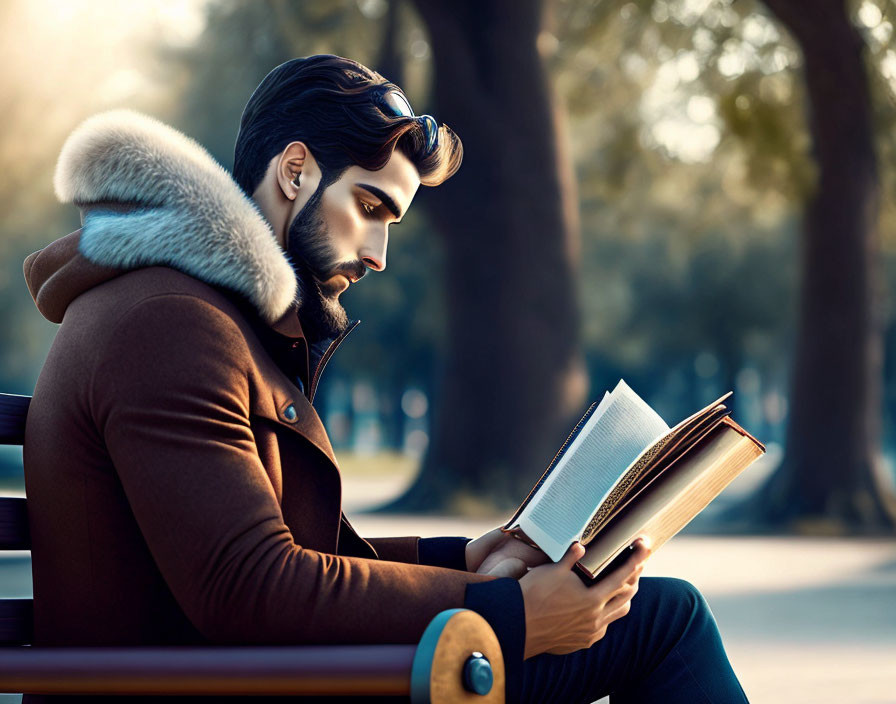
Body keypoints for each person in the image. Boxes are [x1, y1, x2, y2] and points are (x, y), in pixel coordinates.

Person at [22, 55, 749, 703]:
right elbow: (248, 587)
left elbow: (305, 560)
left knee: (654, 618)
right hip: (221, 681)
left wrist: (474, 560)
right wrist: (516, 615)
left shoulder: (206, 315)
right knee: (664, 622)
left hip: (258, 673)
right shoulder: (170, 324)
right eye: (370, 208)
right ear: (295, 170)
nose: (378, 254)